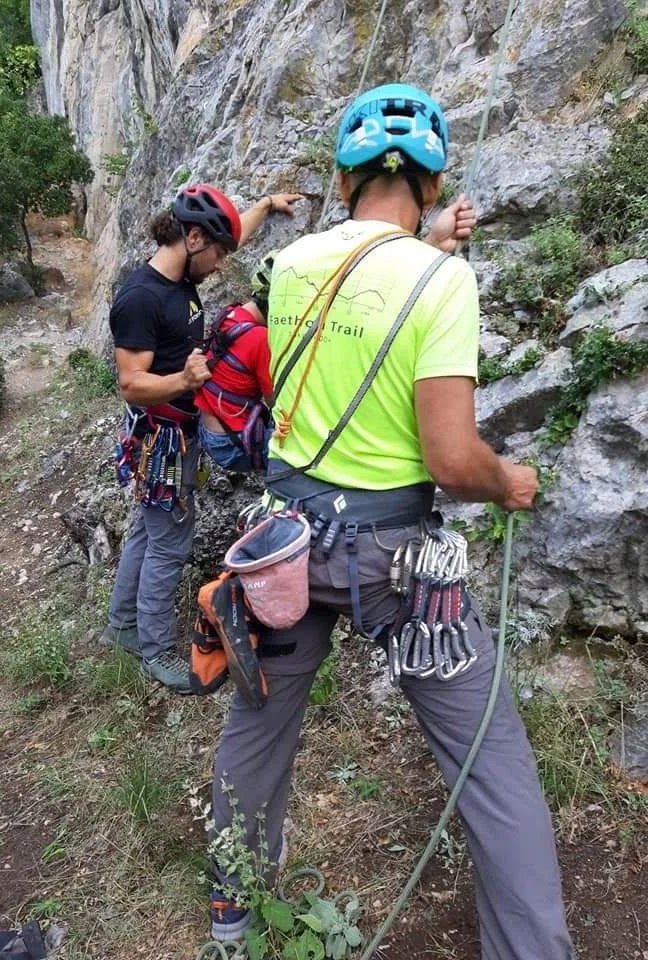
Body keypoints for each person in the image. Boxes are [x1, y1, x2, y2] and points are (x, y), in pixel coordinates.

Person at [207, 85, 575, 960]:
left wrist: (428, 240)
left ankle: (233, 910)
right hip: (399, 565)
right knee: (489, 761)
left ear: (342, 181)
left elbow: (356, 294)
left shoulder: (291, 266)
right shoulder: (444, 281)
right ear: (434, 183)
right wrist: (508, 481)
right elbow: (452, 460)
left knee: (258, 726)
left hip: (286, 553)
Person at [100, 184, 303, 691]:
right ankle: (155, 652)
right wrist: (185, 381)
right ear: (192, 239)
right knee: (170, 542)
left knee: (146, 531)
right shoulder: (142, 299)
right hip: (163, 439)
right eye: (217, 253)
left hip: (173, 433)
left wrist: (264, 207)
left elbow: (229, 238)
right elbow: (131, 383)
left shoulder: (183, 275)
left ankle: (122, 626)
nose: (220, 264)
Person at [194, 253, 276, 473]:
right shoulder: (260, 339)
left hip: (207, 428)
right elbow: (277, 403)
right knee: (308, 450)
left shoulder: (230, 313)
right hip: (230, 444)